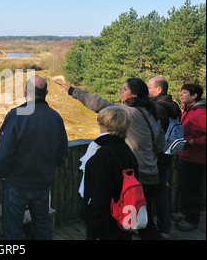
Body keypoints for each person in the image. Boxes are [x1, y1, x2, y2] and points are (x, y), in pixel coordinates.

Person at [55, 78, 165, 240]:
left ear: (133, 94)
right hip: (152, 174)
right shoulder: (152, 114)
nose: (121, 91)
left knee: (138, 224)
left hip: (135, 177)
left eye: (124, 89)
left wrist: (73, 91)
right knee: (142, 219)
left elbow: (100, 104)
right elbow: (159, 144)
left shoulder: (127, 112)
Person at [0, 76, 69, 240]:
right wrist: (48, 168)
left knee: (13, 230)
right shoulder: (55, 117)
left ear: (26, 91)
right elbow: (62, 152)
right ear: (46, 93)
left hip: (16, 183)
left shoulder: (16, 115)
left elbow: (3, 154)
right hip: (43, 183)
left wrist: (2, 173)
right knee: (42, 226)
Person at [81, 106, 138, 240]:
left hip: (106, 223)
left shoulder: (103, 154)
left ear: (104, 124)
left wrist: (93, 229)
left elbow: (99, 195)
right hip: (122, 217)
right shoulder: (127, 151)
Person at [147, 76, 181, 239]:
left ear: (159, 90)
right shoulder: (174, 105)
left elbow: (152, 134)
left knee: (151, 192)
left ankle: (152, 228)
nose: (147, 91)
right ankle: (164, 229)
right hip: (167, 155)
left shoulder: (159, 108)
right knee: (161, 191)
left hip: (155, 156)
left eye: (149, 88)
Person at [175, 83, 206, 232]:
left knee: (192, 189)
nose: (181, 95)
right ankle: (184, 212)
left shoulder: (201, 114)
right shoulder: (189, 111)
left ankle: (192, 220)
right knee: (184, 186)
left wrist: (195, 142)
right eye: (182, 92)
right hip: (185, 155)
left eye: (185, 92)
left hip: (196, 159)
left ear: (194, 96)